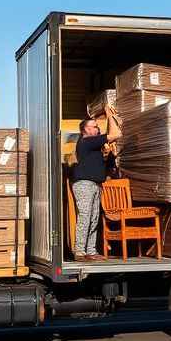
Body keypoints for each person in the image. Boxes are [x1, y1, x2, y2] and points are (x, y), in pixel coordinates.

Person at [71, 105, 121, 261]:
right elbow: (115, 134)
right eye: (93, 127)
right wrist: (110, 115)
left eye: (97, 127)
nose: (97, 129)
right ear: (84, 130)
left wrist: (106, 156)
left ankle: (90, 251)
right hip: (85, 184)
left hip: (95, 185)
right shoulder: (87, 141)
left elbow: (109, 167)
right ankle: (79, 251)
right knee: (85, 217)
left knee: (93, 218)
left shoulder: (95, 147)